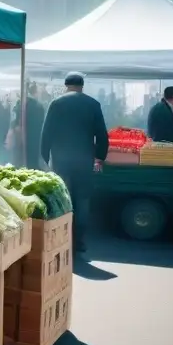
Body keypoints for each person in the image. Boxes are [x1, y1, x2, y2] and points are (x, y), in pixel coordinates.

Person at [40, 72, 109, 253]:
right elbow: (102, 134)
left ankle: (61, 238)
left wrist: (44, 157)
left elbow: (46, 132)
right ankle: (79, 241)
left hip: (61, 159)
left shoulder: (56, 103)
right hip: (83, 159)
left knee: (62, 198)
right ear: (82, 86)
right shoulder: (93, 104)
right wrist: (100, 156)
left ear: (66, 85)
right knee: (82, 199)